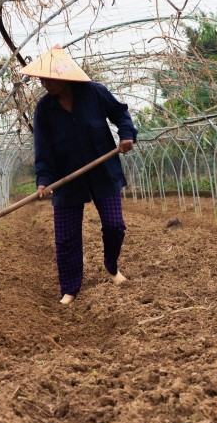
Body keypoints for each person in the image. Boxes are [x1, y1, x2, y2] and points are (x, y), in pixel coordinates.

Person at [23, 46, 137, 305]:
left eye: (49, 79)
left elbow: (120, 112)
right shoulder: (45, 109)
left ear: (65, 77)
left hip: (103, 173)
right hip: (67, 178)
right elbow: (43, 149)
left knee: (114, 225)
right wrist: (44, 180)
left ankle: (111, 267)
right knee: (66, 237)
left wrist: (126, 134)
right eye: (42, 79)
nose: (44, 83)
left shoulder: (94, 93)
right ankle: (70, 288)